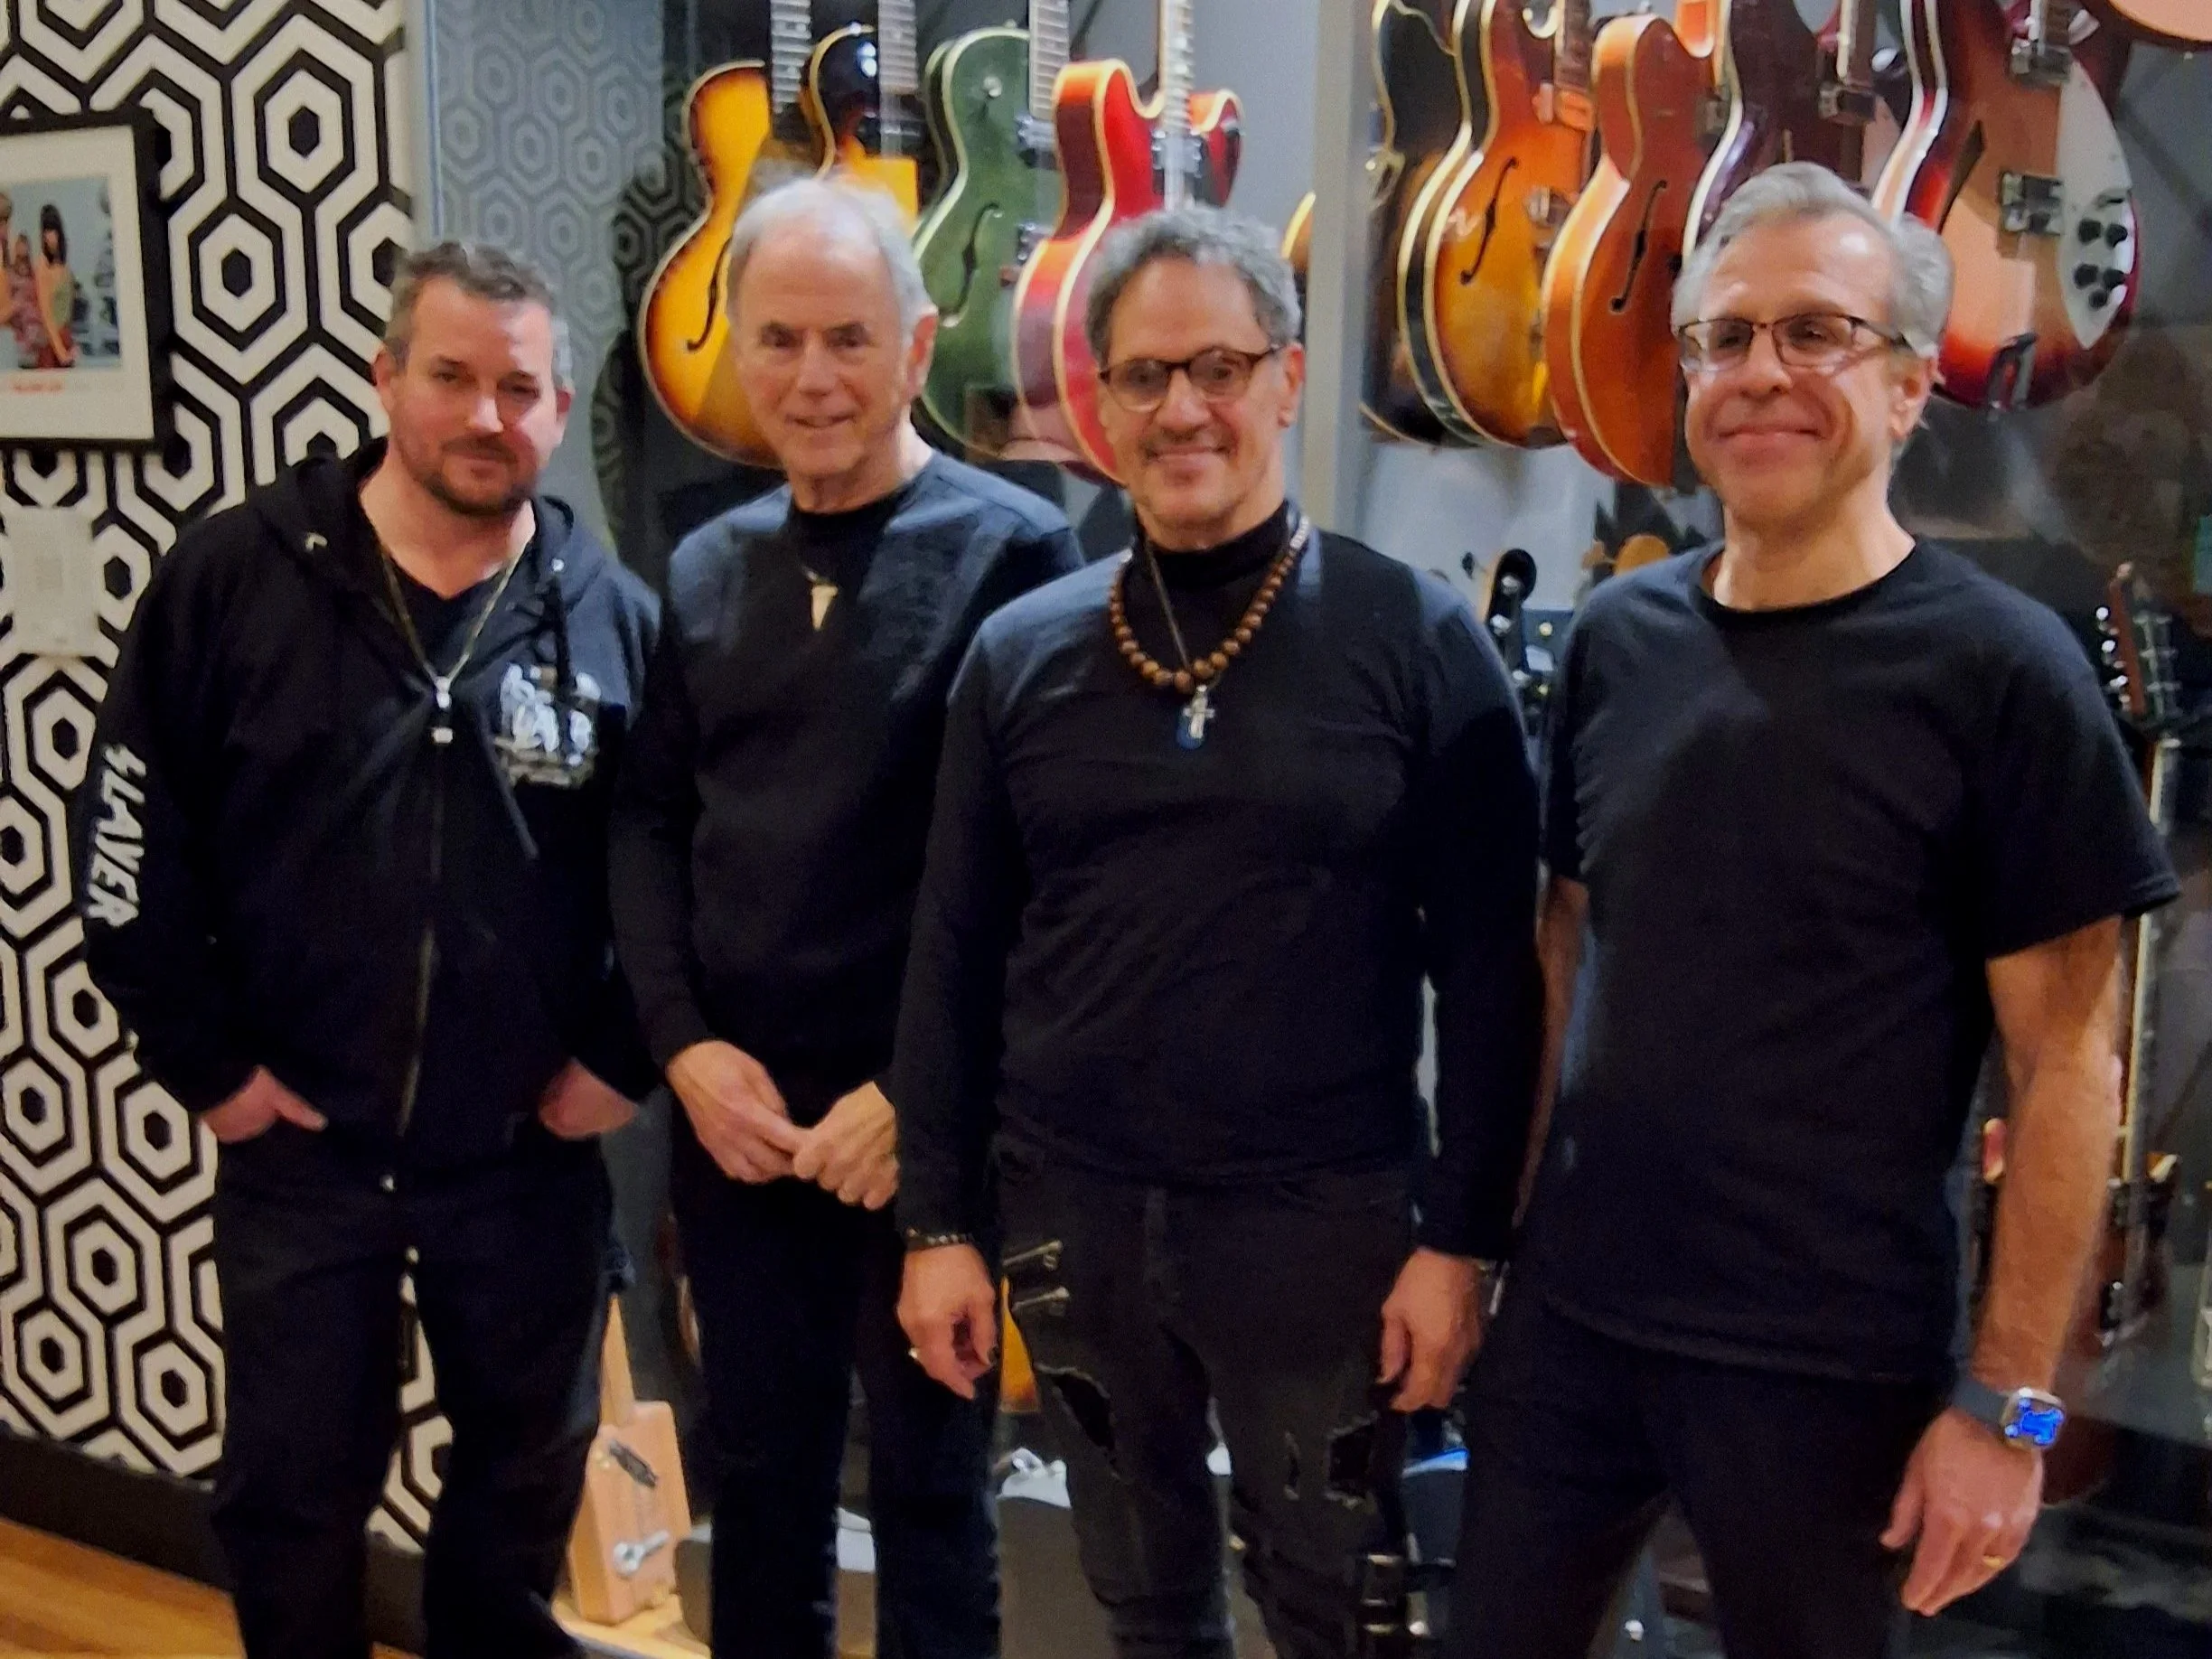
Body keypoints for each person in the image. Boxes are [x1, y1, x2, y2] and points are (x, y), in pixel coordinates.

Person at [1445, 162, 2179, 1659]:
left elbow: (2064, 1074)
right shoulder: (1615, 635)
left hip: (1828, 1366)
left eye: (1815, 333)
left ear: (1908, 386)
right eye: (1723, 337)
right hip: (1573, 1326)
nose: (1757, 373)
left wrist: (2006, 1408)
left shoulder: (2001, 675)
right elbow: (1562, 954)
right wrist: (1483, 1250)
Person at [895, 205, 1542, 1659]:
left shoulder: (1420, 644)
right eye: (1143, 375)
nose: (1183, 407)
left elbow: (1497, 982)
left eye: (1221, 367)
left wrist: (1463, 1246)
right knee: (1138, 1594)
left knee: (1335, 1604)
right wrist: (938, 1223)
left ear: (1289, 380)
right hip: (1073, 1218)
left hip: (1326, 1232)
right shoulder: (1019, 656)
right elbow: (951, 954)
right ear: (1098, 398)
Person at [73, 242, 658, 1659]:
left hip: (522, 1162)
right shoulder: (232, 581)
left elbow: (685, 872)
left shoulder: (616, 619)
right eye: (450, 376)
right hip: (302, 1152)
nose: (484, 416)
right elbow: (123, 844)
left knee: (520, 1492)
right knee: (289, 1499)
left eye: (519, 388)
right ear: (386, 375)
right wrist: (209, 1068)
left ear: (562, 408)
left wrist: (624, 1057)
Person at [608, 176, 1083, 1659]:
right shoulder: (695, 562)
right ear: (734, 347)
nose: (812, 376)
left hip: (921, 1135)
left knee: (939, 1498)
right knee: (758, 1494)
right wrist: (684, 1052)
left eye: (848, 338)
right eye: (779, 339)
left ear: (916, 340)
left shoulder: (1019, 554)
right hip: (739, 1125)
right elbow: (644, 827)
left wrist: (922, 1100)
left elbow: (1047, 874)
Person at [34, 203, 73, 367]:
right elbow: (47, 315)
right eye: (46, 232)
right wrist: (61, 353)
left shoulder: (63, 265)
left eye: (53, 230)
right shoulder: (42, 265)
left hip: (66, 337)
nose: (50, 237)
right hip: (51, 345)